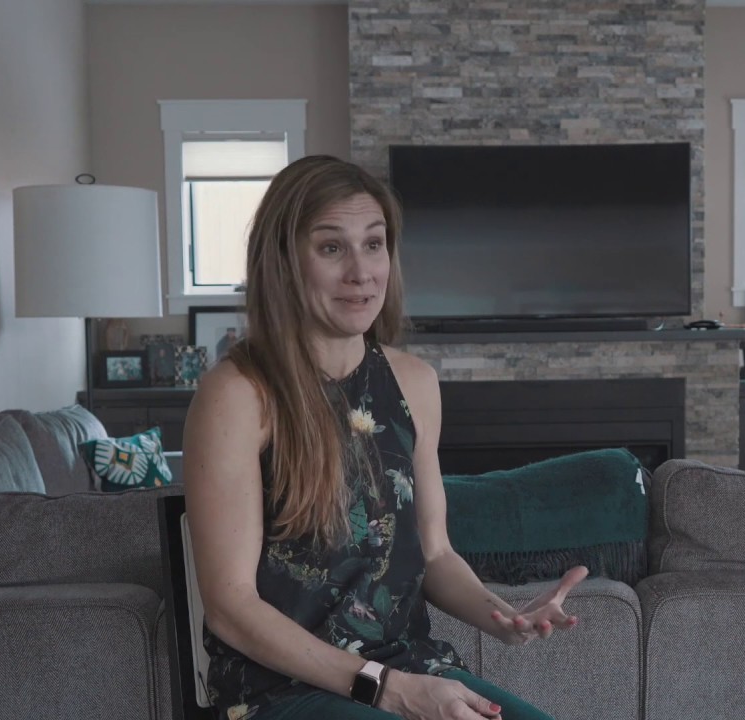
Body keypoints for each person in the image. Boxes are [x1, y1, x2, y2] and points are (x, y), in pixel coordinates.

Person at [182, 155, 585, 720]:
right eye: (331, 248)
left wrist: (505, 617)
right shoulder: (238, 395)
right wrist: (385, 688)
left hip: (411, 669)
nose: (361, 271)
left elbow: (434, 552)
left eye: (374, 244)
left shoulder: (414, 383)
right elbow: (229, 606)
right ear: (283, 262)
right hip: (283, 689)